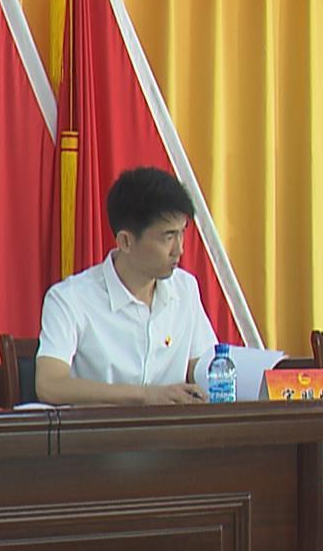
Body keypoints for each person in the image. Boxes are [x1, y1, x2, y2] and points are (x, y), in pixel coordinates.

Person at [37, 167, 254, 405]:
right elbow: (50, 385)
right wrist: (146, 395)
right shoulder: (70, 299)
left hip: (173, 429)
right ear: (126, 242)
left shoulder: (185, 288)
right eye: (168, 237)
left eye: (182, 233)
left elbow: (203, 369)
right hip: (101, 428)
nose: (179, 249)